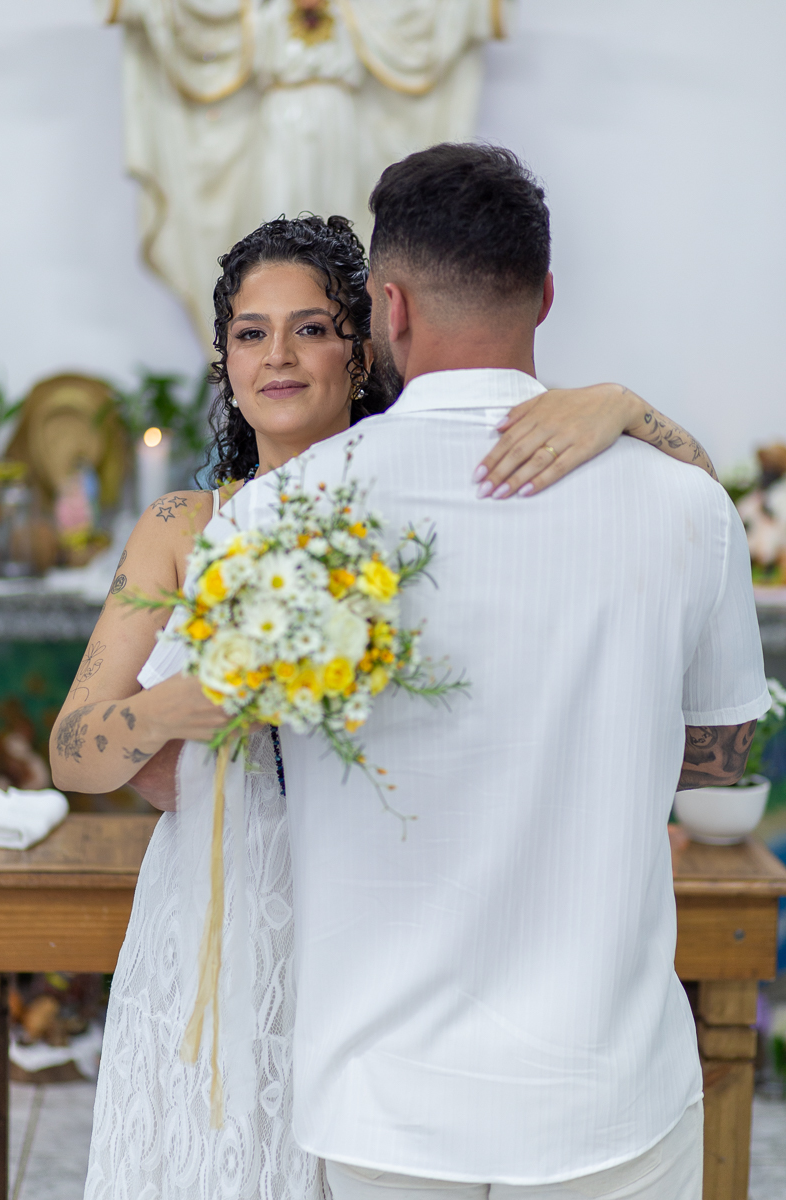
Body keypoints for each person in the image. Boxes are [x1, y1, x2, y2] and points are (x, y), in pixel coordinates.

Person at [52, 212, 721, 1200]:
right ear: (222, 360)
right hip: (219, 922)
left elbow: (691, 493)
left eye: (312, 328)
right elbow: (75, 752)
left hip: (389, 918)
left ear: (365, 344)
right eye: (250, 332)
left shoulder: (424, 505)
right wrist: (188, 706)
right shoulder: (179, 526)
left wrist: (620, 406)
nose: (277, 355)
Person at [214, 146, 769, 1200]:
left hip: (383, 1093)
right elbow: (719, 762)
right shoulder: (682, 504)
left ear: (388, 307)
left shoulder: (278, 515)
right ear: (545, 296)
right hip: (604, 1090)